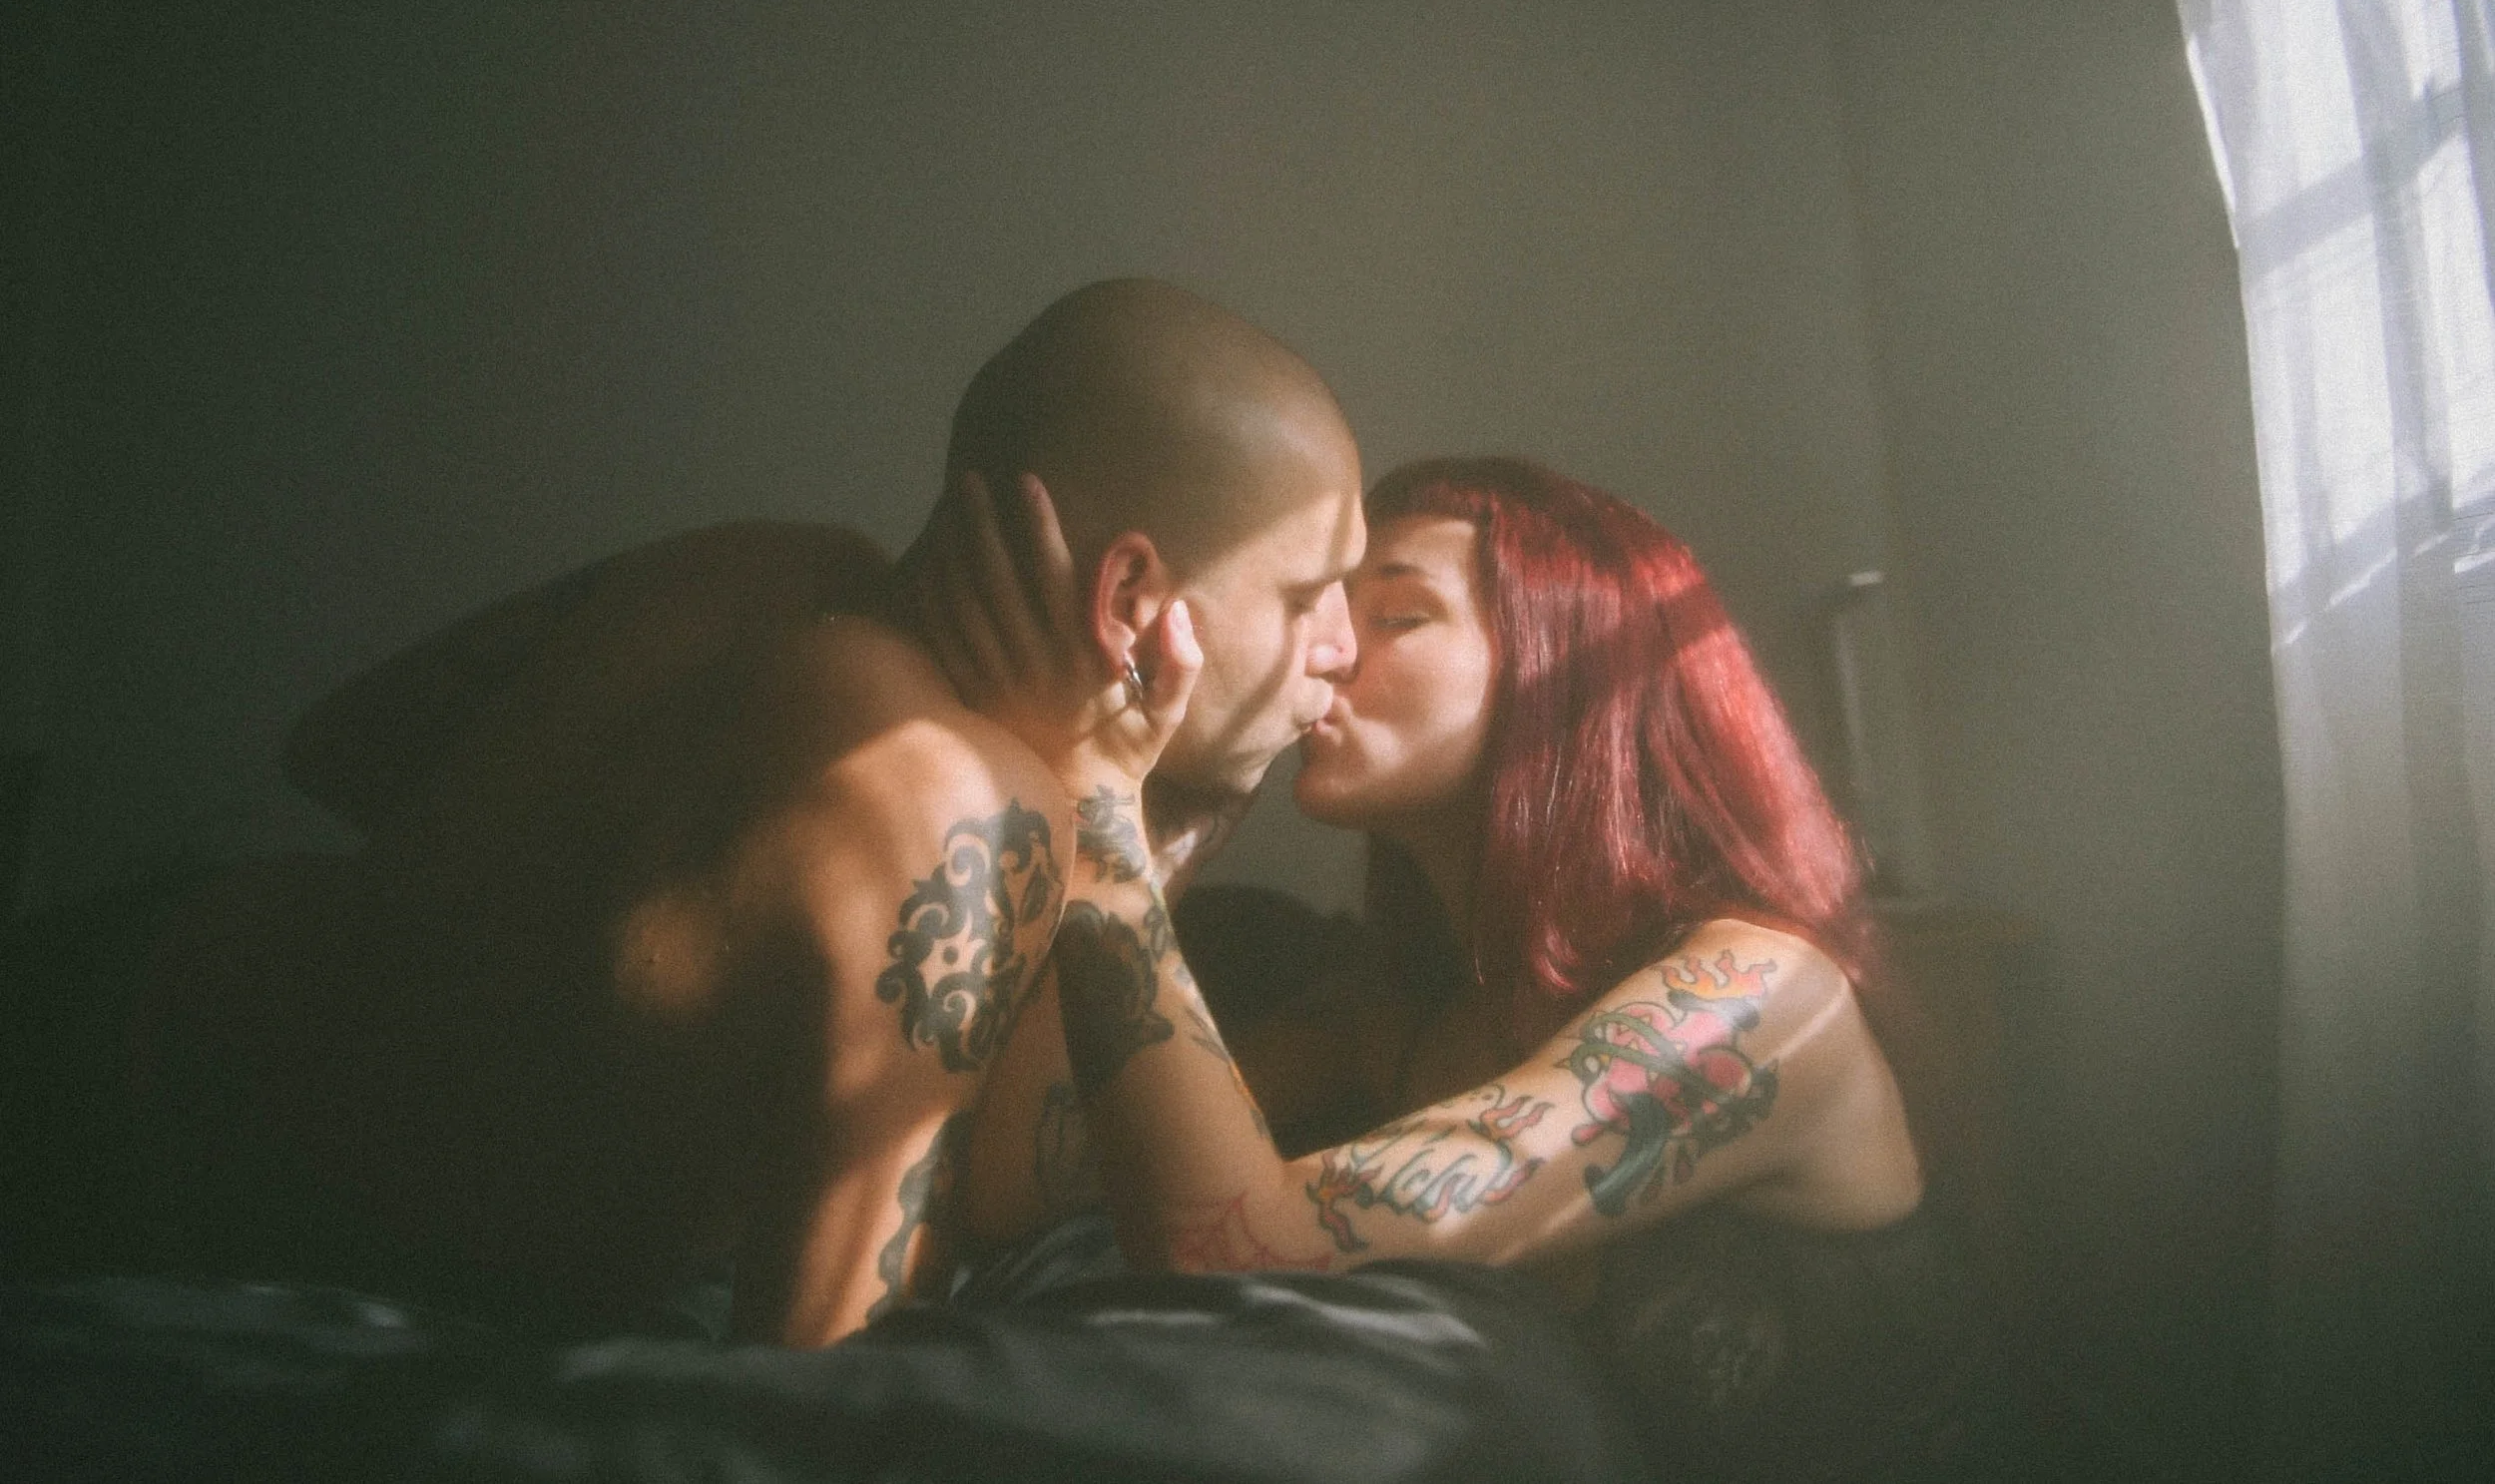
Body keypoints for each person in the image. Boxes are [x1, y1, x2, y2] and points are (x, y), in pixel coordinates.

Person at [122, 277, 1364, 1348]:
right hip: (175, 1187)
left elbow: (334, 746)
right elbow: (826, 1370)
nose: (1343, 646)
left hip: (156, 975)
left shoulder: (772, 563)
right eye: (1311, 594)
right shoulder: (965, 811)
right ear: (1132, 596)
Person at [928, 455, 1988, 1477]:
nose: (1329, 650)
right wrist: (1170, 827)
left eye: (1398, 615)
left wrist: (1097, 809)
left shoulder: (1757, 998)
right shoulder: (1396, 1015)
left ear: (1565, 669)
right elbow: (1026, 1186)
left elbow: (1242, 1250)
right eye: (1324, 611)